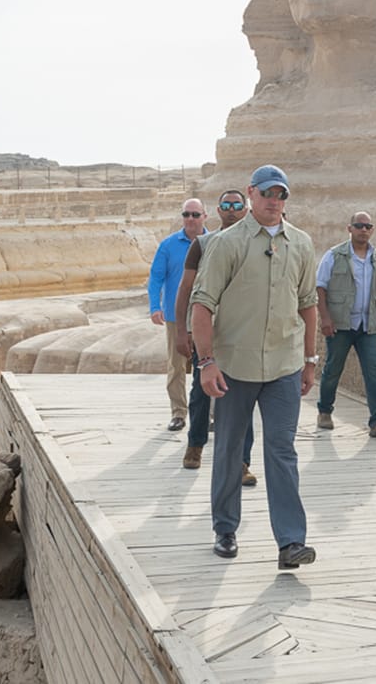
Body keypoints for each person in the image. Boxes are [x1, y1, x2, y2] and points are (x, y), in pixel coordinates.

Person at [190, 164, 319, 570]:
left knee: (282, 451)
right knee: (229, 450)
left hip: (283, 364)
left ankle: (290, 542)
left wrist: (310, 360)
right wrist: (206, 363)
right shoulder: (226, 244)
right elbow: (202, 304)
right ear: (251, 194)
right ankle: (225, 528)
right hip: (234, 368)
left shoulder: (300, 243)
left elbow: (308, 304)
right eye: (267, 194)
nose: (274, 201)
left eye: (280, 195)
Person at [172, 189, 256, 481]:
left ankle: (242, 462)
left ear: (245, 209)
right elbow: (186, 289)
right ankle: (195, 445)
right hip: (208, 330)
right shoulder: (203, 245)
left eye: (237, 204)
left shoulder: (254, 245)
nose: (232, 209)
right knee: (200, 392)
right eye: (226, 205)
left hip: (244, 332)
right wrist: (182, 330)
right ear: (218, 210)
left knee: (244, 396)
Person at [315, 211, 376, 438]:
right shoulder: (334, 255)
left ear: (372, 230)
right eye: (359, 225)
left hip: (369, 324)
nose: (363, 230)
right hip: (341, 323)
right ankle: (324, 410)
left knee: (374, 371)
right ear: (349, 229)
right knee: (333, 369)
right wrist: (325, 318)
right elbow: (320, 287)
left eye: (368, 226)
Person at [149, 198, 208, 431]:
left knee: (208, 362)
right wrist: (155, 306)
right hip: (176, 315)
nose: (190, 219)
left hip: (207, 315)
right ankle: (178, 413)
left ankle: (209, 413)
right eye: (186, 215)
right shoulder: (168, 245)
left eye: (195, 214)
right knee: (176, 366)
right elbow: (156, 277)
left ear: (205, 216)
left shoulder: (215, 243)